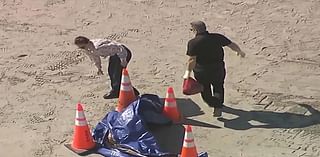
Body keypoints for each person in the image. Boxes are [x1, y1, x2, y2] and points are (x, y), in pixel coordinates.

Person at [183, 21, 245, 117]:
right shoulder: (217, 37)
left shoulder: (193, 43)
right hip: (218, 68)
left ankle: (213, 103)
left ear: (195, 30)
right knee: (218, 87)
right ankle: (218, 106)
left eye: (191, 30)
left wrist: (187, 73)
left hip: (202, 71)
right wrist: (239, 51)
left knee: (204, 89)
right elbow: (231, 44)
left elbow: (192, 60)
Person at [74, 36, 139, 99]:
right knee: (111, 71)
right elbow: (95, 57)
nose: (82, 49)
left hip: (123, 53)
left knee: (116, 74)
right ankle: (119, 90)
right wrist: (99, 68)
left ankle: (124, 91)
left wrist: (123, 60)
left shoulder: (98, 47)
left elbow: (119, 48)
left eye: (83, 47)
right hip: (114, 54)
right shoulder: (89, 49)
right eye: (81, 48)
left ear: (87, 43)